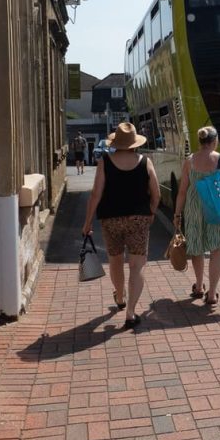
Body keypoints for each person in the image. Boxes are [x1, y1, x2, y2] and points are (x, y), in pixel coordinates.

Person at [82, 122, 160, 328]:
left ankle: (120, 297)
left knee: (115, 260)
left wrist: (88, 222)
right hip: (139, 218)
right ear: (135, 143)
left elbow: (95, 194)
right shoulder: (146, 162)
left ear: (116, 142)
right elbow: (156, 193)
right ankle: (131, 313)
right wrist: (151, 212)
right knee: (137, 264)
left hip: (111, 218)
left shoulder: (105, 162)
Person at [173, 126, 220, 308]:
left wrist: (177, 213)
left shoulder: (190, 161)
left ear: (200, 142)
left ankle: (199, 286)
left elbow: (182, 191)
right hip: (216, 208)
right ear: (214, 141)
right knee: (217, 250)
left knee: (196, 248)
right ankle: (212, 294)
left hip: (193, 208)